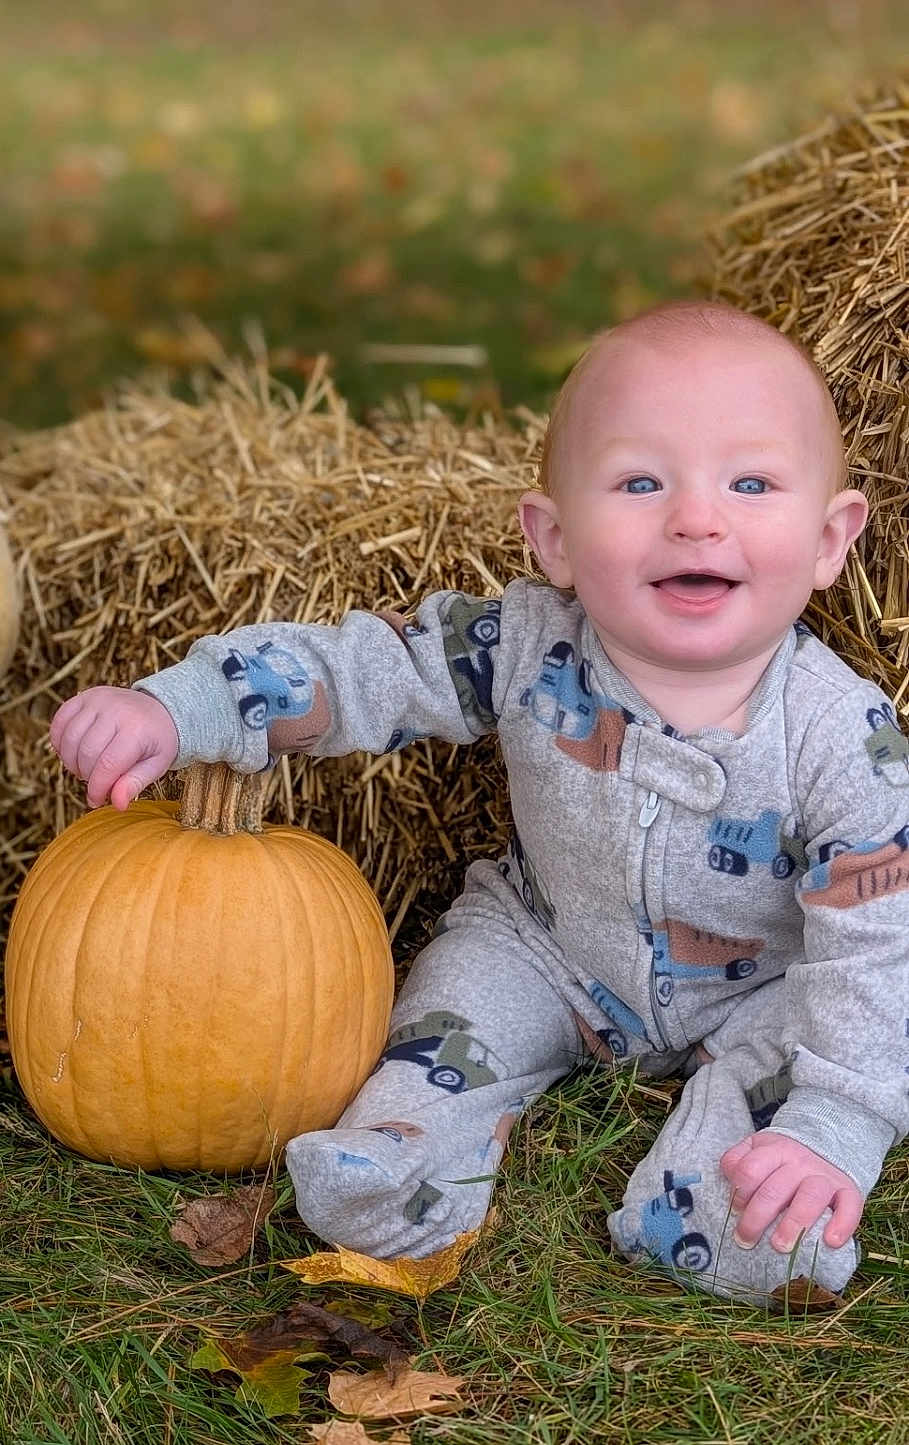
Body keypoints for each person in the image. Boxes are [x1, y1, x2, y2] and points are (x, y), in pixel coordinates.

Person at [47, 300, 907, 1305]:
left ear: (827, 538)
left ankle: (746, 1204)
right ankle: (405, 1154)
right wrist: (184, 707)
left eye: (750, 483)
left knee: (808, 1084)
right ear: (553, 536)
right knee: (452, 1011)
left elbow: (875, 944)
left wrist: (835, 1122)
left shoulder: (842, 737)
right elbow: (361, 671)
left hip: (763, 983)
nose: (695, 517)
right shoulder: (519, 644)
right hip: (544, 948)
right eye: (638, 481)